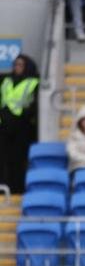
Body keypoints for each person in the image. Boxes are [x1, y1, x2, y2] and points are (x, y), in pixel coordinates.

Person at [0, 54, 39, 194]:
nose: (17, 67)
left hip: (22, 127)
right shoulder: (6, 80)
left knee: (19, 159)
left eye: (20, 65)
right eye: (15, 64)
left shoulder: (33, 82)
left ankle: (18, 188)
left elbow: (34, 106)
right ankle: (4, 187)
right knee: (3, 158)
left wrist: (25, 116)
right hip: (4, 125)